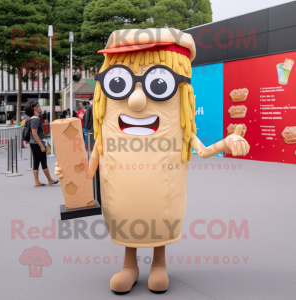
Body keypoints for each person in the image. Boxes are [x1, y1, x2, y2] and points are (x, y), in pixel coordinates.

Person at [55, 28, 250, 294]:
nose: (136, 101)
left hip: (163, 198)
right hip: (121, 199)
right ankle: (129, 266)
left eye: (159, 83)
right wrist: (70, 173)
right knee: (128, 219)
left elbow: (202, 150)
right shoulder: (108, 136)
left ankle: (159, 264)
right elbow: (88, 172)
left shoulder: (179, 128)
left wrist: (226, 143)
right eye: (118, 82)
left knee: (159, 216)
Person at [25, 101, 59, 187]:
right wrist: (41, 146)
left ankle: (37, 181)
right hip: (37, 143)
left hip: (33, 143)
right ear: (35, 108)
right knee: (44, 163)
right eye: (38, 106)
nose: (40, 107)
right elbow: (34, 134)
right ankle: (50, 180)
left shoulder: (33, 118)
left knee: (36, 163)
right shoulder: (35, 120)